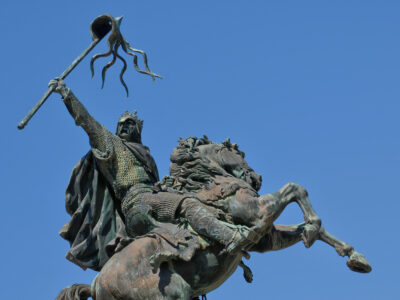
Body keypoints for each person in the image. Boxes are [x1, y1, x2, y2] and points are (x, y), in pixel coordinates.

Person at [49, 78, 254, 259]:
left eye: (130, 124)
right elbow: (88, 122)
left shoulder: (145, 155)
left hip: (152, 196)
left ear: (138, 129)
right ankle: (230, 238)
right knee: (187, 204)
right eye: (121, 125)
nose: (124, 127)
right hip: (138, 201)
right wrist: (67, 94)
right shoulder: (111, 145)